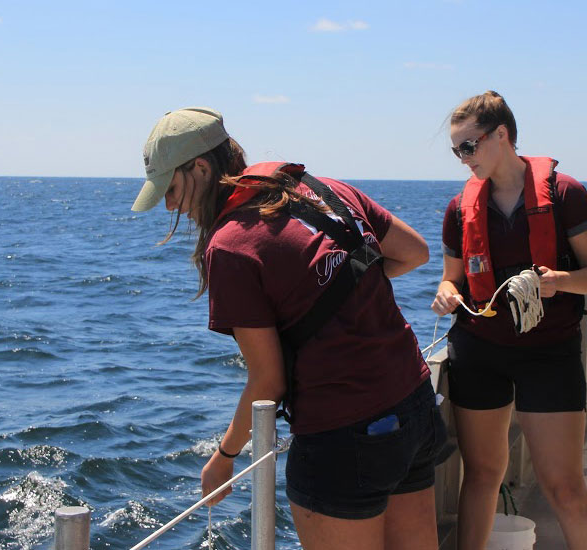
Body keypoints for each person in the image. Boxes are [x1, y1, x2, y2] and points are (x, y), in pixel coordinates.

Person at [131, 107, 446, 550]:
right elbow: (415, 252)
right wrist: (343, 289)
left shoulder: (231, 246)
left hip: (345, 435)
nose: (169, 204)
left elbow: (268, 380)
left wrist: (223, 459)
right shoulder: (325, 188)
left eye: (170, 187)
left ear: (200, 168)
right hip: (414, 404)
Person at [430, 91, 587, 550]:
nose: (462, 159)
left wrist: (560, 282)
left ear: (502, 136)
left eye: (468, 146)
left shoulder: (566, 194)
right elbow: (450, 280)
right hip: (479, 352)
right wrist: (446, 294)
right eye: (456, 150)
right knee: (483, 475)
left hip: (548, 352)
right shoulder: (459, 209)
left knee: (565, 488)